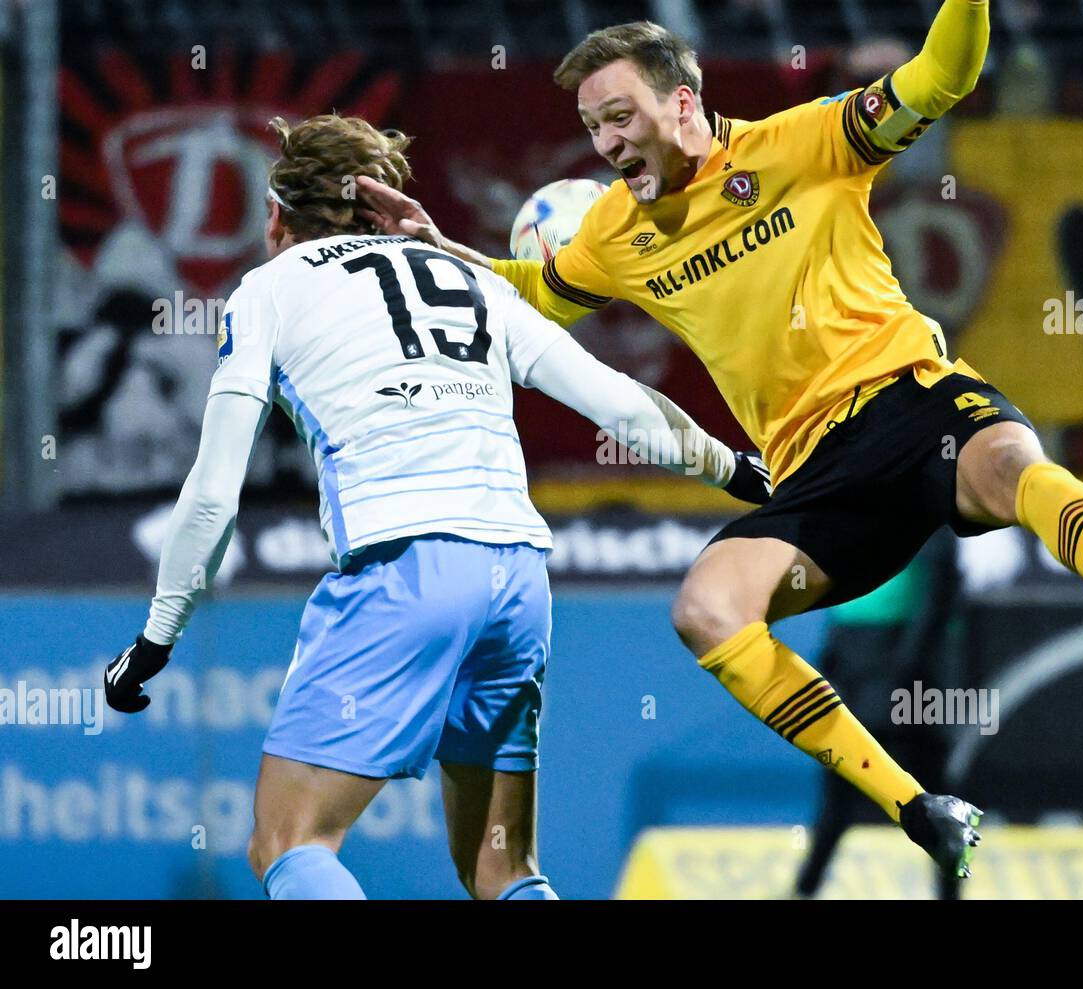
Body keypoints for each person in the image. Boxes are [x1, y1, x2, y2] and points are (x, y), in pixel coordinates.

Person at [356, 0, 1083, 880]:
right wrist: (437, 246)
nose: (604, 144)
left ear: (684, 103)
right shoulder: (613, 231)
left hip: (912, 401)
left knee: (1011, 464)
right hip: (819, 480)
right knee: (706, 609)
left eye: (619, 116)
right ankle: (917, 804)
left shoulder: (806, 143)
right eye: (593, 126)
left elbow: (945, 73)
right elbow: (542, 293)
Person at [102, 113, 769, 900]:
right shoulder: (470, 277)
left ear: (276, 216)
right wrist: (738, 471)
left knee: (291, 841)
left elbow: (213, 492)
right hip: (518, 578)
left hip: (403, 568)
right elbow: (619, 405)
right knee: (502, 868)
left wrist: (155, 638)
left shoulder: (267, 290)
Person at [794, 531, 963, 900]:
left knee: (931, 786)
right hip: (859, 668)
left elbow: (940, 592)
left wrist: (909, 664)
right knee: (840, 784)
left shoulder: (932, 513)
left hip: (909, 679)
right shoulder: (856, 508)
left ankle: (949, 893)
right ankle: (805, 889)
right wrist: (835, 657)